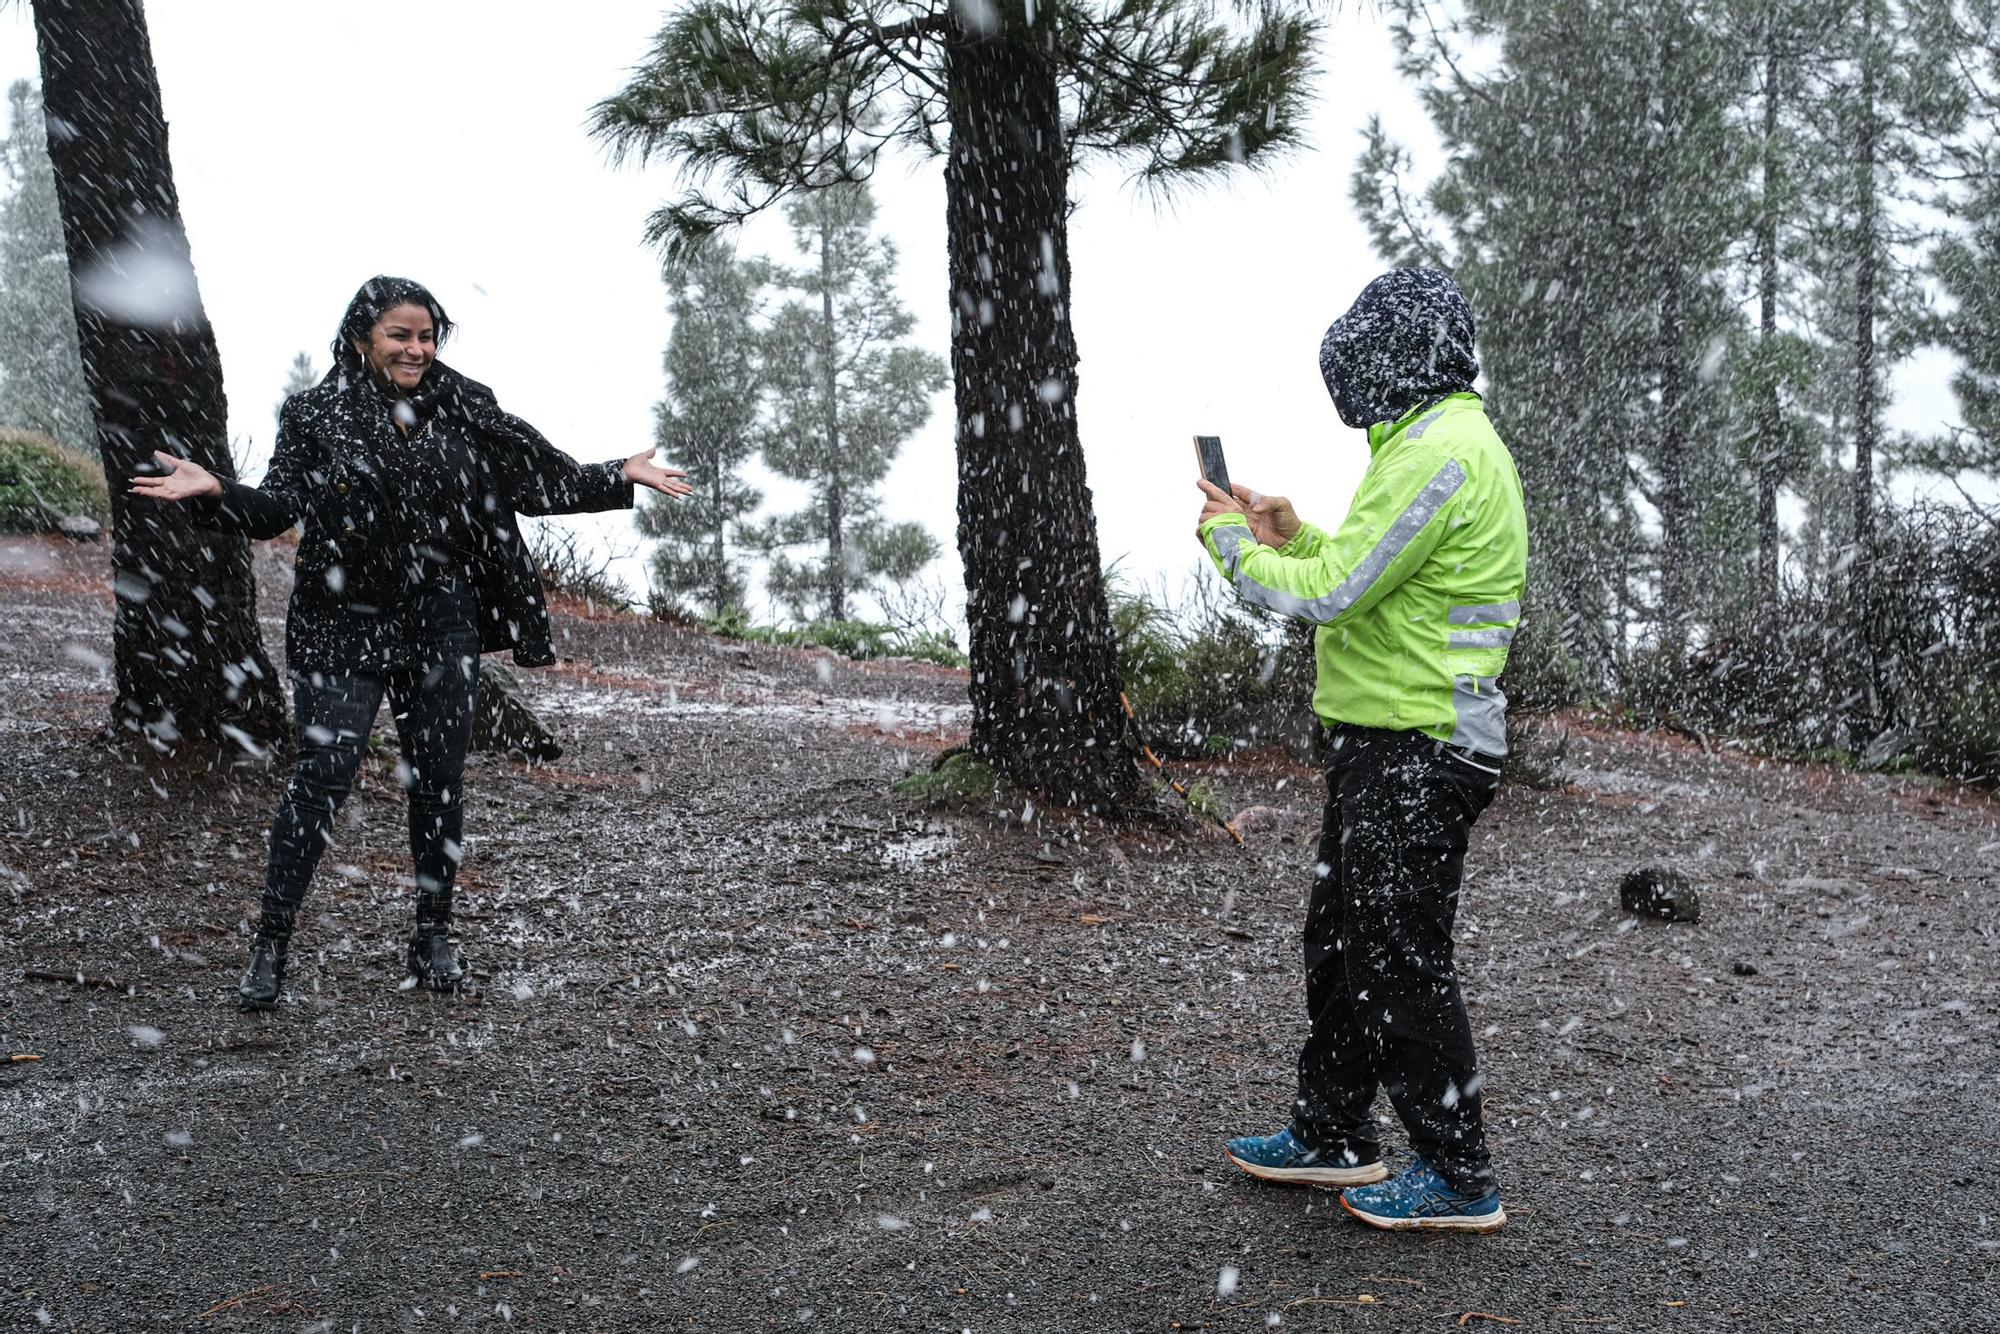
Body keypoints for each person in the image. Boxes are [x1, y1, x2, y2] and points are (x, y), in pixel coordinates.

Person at [131, 276, 691, 1007]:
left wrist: (618, 473)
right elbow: (278, 508)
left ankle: (433, 935)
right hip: (341, 620)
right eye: (401, 335)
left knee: (438, 783)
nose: (417, 349)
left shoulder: (465, 406)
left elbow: (537, 480)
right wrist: (216, 492)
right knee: (320, 782)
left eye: (427, 336)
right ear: (364, 336)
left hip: (441, 621)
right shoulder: (315, 413)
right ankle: (270, 944)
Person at [1195, 267, 1527, 1232]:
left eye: (1361, 360)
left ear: (1396, 358)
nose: (1350, 378)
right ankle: (1332, 1131)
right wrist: (1292, 534)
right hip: (1385, 742)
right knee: (1345, 942)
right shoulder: (1428, 442)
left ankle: (1458, 1174)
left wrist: (1233, 548)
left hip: (1422, 746)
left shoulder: (1444, 452)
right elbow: (1371, 572)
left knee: (1396, 954)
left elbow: (1336, 593)